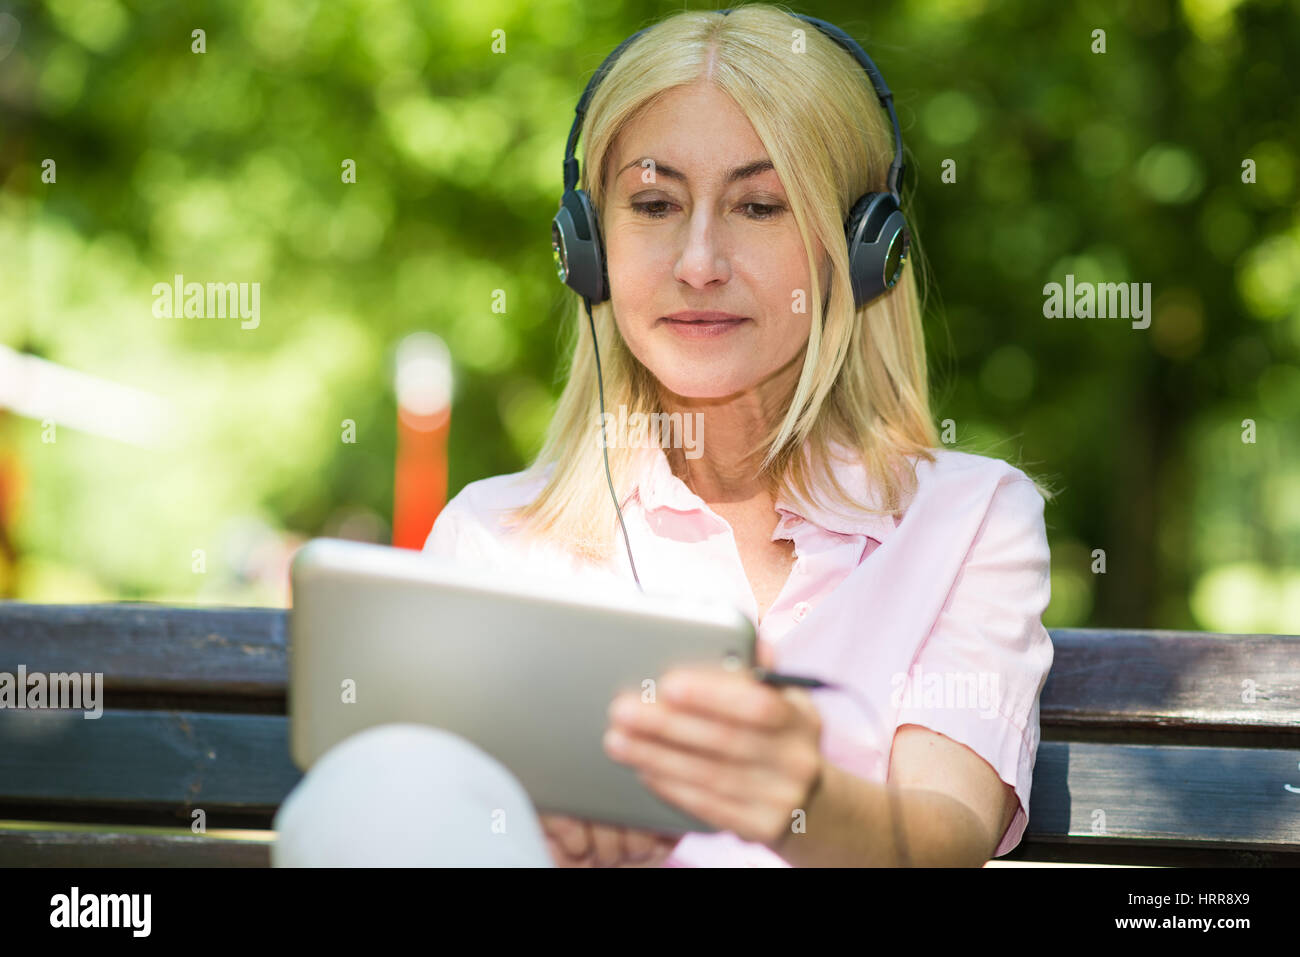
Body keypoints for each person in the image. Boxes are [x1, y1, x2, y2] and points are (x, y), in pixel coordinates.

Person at [273, 3, 1055, 868]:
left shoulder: (972, 520)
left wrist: (803, 800)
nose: (698, 262)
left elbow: (945, 837)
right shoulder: (492, 539)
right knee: (366, 789)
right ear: (589, 246)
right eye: (653, 202)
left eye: (760, 205)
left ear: (864, 249)